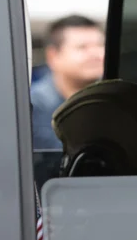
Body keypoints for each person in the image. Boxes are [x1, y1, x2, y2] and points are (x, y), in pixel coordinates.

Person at [31, 15, 105, 150]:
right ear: (53, 56)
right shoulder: (32, 107)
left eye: (100, 45)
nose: (96, 54)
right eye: (82, 47)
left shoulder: (113, 102)